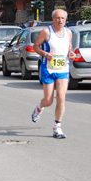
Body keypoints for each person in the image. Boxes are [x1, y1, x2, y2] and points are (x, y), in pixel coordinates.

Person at [31, 9, 76, 139]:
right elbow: (36, 46)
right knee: (49, 101)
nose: (60, 20)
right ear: (53, 19)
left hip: (62, 69)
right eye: (57, 18)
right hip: (48, 69)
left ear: (66, 20)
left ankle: (57, 127)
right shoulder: (47, 32)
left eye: (62, 18)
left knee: (61, 97)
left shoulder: (68, 32)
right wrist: (45, 54)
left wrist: (71, 54)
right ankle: (40, 107)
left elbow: (69, 48)